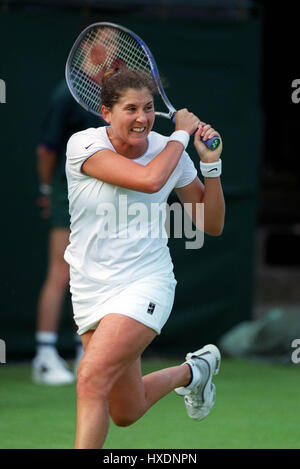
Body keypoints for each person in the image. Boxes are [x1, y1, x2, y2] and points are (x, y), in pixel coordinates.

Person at [64, 68, 225, 448]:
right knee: (125, 410)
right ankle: (194, 371)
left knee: (89, 378)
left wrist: (211, 165)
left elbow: (210, 223)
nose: (142, 118)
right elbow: (149, 180)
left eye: (149, 108)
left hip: (144, 282)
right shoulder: (83, 146)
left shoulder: (170, 152)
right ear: (106, 113)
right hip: (90, 289)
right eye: (130, 109)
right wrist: (182, 134)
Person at [32, 79, 104, 385]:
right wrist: (48, 189)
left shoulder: (110, 93)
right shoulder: (67, 94)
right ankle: (45, 357)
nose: (113, 52)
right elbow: (47, 149)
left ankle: (85, 355)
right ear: (90, 46)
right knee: (61, 271)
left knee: (90, 272)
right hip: (67, 190)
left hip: (100, 189)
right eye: (107, 43)